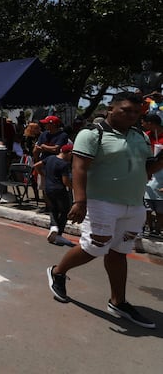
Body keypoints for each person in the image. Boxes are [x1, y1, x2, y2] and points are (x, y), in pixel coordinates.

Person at [47, 92, 163, 329]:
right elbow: (78, 167)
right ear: (111, 109)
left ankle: (118, 301)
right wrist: (80, 202)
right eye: (126, 110)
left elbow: (147, 169)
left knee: (119, 252)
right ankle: (58, 272)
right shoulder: (92, 134)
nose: (132, 115)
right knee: (95, 248)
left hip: (134, 205)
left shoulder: (140, 136)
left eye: (135, 111)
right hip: (102, 203)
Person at [34, 143, 73, 246]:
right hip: (60, 189)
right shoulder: (64, 164)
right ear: (69, 153)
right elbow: (65, 182)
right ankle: (59, 234)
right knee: (65, 210)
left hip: (48, 189)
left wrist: (43, 174)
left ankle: (54, 227)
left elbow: (36, 165)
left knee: (53, 208)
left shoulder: (50, 158)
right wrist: (74, 187)